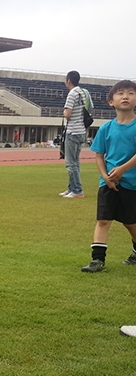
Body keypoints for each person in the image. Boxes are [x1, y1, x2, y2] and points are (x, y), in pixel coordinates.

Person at [80, 80, 136, 273]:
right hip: (108, 183)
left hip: (131, 183)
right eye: (120, 93)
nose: (126, 96)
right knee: (103, 220)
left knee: (131, 223)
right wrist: (106, 176)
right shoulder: (105, 128)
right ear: (111, 101)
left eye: (130, 93)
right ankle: (97, 260)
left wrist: (121, 170)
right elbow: (99, 155)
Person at [60, 71, 88, 199]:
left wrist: (64, 112)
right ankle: (72, 187)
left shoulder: (72, 94)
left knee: (70, 163)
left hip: (73, 131)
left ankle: (77, 190)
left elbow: (68, 114)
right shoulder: (82, 92)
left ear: (68, 81)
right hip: (81, 130)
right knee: (75, 162)